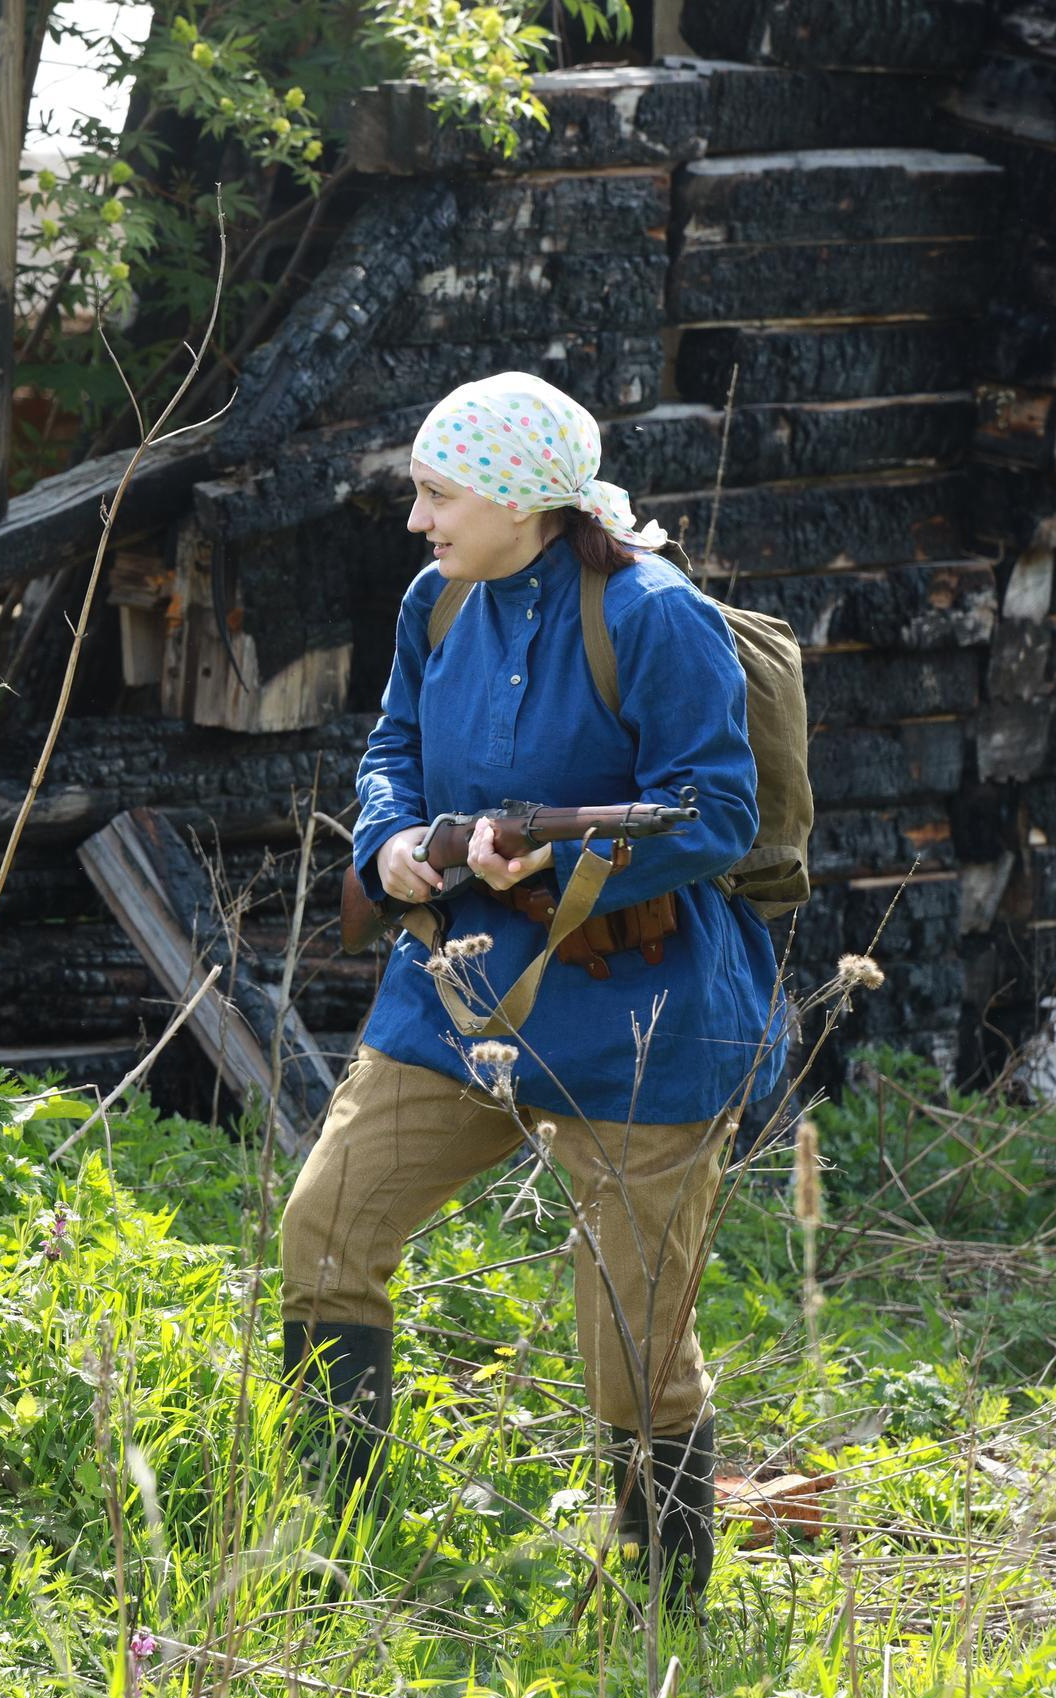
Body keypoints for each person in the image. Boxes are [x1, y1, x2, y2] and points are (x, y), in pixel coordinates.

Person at [278, 371, 788, 1610]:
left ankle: (665, 1613)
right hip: (457, 990)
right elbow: (393, 745)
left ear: (519, 499)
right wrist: (393, 845)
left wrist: (567, 855)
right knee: (325, 1238)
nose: (418, 520)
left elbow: (718, 812)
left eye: (437, 493)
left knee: (633, 1356)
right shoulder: (436, 599)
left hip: (643, 1014)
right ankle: (332, 1555)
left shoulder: (655, 616)